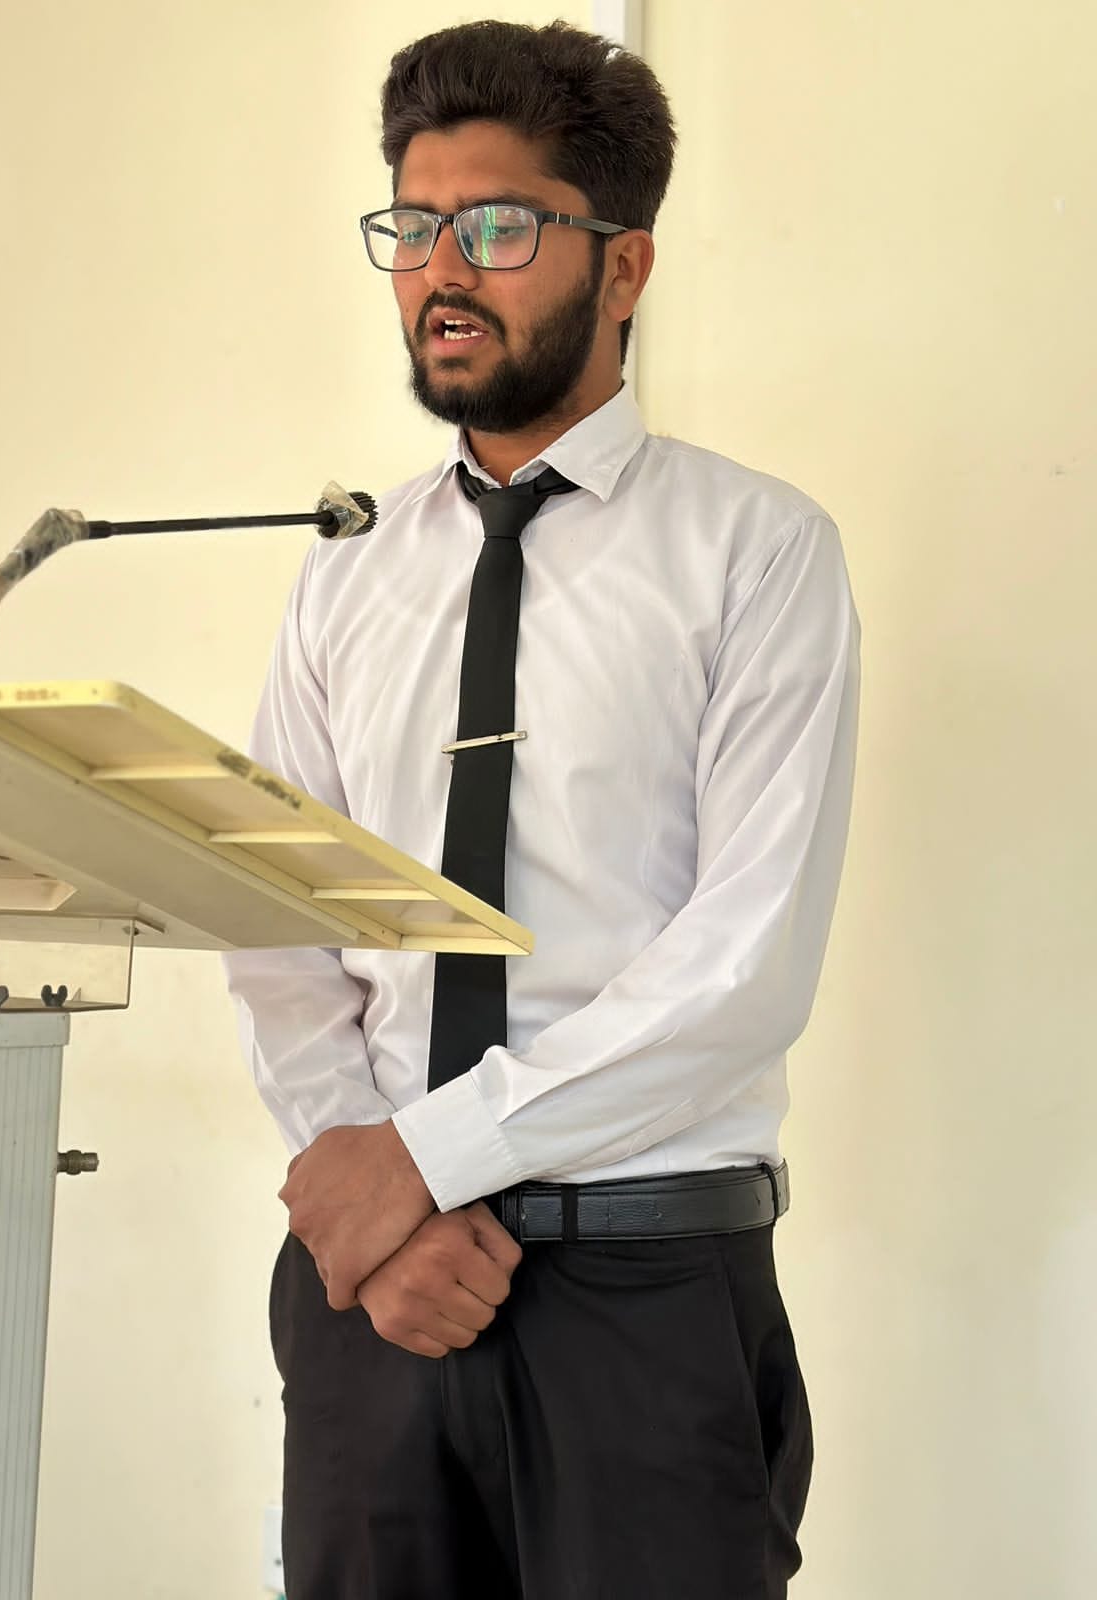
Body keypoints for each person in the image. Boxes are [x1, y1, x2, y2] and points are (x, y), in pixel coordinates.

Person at [225, 18, 861, 1600]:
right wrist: (375, 1201)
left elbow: (745, 963)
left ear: (623, 265)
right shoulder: (345, 573)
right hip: (376, 1301)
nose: (444, 270)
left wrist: (423, 1158)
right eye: (414, 225)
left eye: (498, 226)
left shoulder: (757, 553)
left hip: (642, 1294)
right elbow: (276, 923)